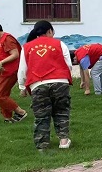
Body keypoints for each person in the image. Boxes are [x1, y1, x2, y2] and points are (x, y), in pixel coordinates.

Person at [18, 21, 72, 150]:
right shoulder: (59, 44)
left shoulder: (27, 47)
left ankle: (42, 146)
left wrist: (22, 87)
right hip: (60, 81)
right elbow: (68, 65)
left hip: (38, 84)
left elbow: (22, 69)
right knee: (61, 112)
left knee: (41, 115)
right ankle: (63, 141)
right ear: (49, 31)